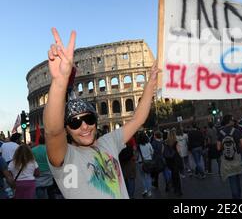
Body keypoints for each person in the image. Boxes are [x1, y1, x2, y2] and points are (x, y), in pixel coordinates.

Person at [44, 28, 159, 199]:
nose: (84, 126)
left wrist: (150, 84)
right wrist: (60, 81)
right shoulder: (66, 159)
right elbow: (52, 131)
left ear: (96, 122)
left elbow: (137, 119)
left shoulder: (108, 142)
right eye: (75, 122)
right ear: (66, 129)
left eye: (88, 119)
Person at [217, 114, 242, 199]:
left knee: (232, 178)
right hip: (236, 157)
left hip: (226, 159)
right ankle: (238, 196)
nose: (233, 121)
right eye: (232, 120)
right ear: (229, 121)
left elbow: (218, 148)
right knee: (237, 178)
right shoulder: (236, 131)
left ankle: (236, 197)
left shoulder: (220, 132)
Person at [164, 129, 183, 196]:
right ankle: (178, 190)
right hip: (176, 160)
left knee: (173, 174)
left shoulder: (166, 142)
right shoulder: (175, 142)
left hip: (169, 161)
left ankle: (174, 188)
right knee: (177, 176)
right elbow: (179, 151)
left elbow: (163, 151)